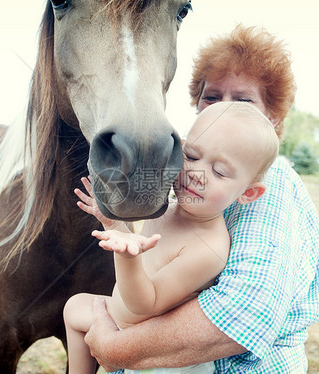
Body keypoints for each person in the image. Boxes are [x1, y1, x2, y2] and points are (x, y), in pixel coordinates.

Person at [83, 25, 319, 373]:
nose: (223, 111)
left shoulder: (273, 184)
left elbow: (244, 313)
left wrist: (118, 348)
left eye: (243, 101)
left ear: (272, 118)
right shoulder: (191, 171)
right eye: (212, 97)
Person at [64, 101, 280, 374]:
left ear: (247, 193)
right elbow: (139, 247)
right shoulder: (166, 205)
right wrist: (114, 223)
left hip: (157, 354)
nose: (196, 174)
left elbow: (145, 303)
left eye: (219, 172)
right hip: (123, 318)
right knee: (74, 308)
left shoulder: (209, 248)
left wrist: (127, 256)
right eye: (190, 156)